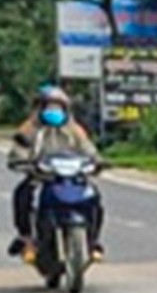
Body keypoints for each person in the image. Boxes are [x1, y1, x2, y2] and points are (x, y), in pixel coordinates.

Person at [9, 85, 105, 263]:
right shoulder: (29, 129)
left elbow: (88, 149)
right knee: (22, 195)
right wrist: (23, 161)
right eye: (49, 107)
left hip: (71, 178)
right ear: (40, 108)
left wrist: (96, 161)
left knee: (94, 198)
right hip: (42, 178)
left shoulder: (74, 130)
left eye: (58, 107)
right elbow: (19, 149)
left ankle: (92, 243)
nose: (54, 111)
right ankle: (27, 239)